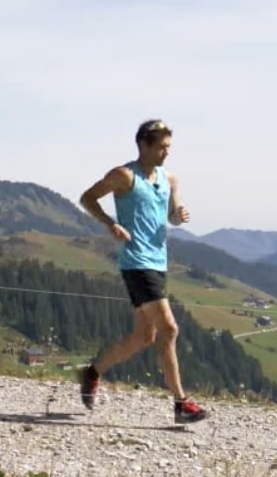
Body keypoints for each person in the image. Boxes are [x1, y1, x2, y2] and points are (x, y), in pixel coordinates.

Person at [76, 118, 208, 424]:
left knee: (144, 337)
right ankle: (181, 402)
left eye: (168, 147)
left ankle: (92, 372)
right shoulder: (124, 176)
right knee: (169, 329)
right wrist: (111, 224)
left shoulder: (169, 179)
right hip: (136, 262)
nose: (166, 153)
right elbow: (87, 197)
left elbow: (172, 217)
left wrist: (179, 215)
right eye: (161, 147)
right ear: (143, 145)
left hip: (158, 261)